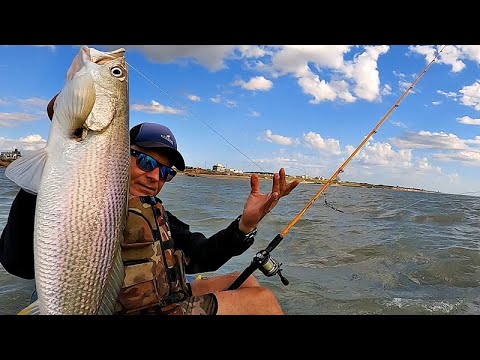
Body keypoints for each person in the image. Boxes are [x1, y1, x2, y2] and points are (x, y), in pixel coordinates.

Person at [0, 95, 300, 315]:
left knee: (242, 282)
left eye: (166, 171)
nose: (155, 176)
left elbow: (202, 256)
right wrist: (56, 167)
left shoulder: (155, 212)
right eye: (145, 161)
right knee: (262, 303)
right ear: (118, 154)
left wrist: (246, 224)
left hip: (167, 297)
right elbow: (17, 262)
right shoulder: (86, 205)